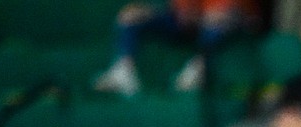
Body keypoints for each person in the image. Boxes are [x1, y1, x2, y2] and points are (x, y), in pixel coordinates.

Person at [94, 0, 262, 95]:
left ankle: (197, 69)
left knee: (217, 21)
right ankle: (123, 71)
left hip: (232, 26)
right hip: (191, 25)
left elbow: (236, 10)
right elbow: (182, 12)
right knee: (130, 16)